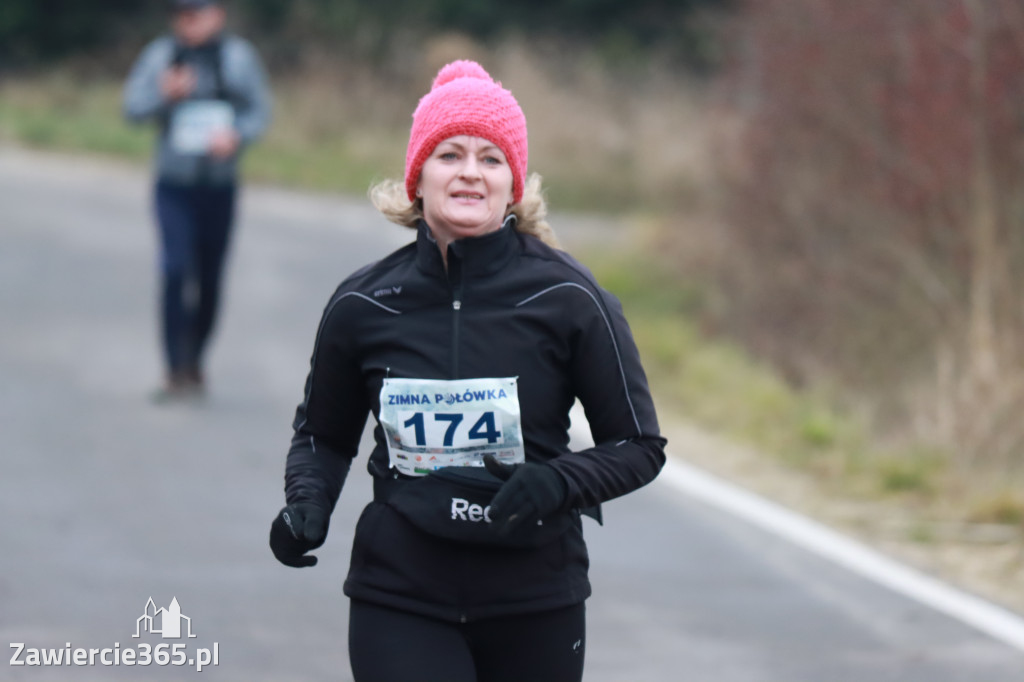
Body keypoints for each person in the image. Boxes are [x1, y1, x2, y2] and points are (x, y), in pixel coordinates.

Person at [269, 59, 666, 682]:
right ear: (416, 178)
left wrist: (557, 482)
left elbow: (639, 446)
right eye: (450, 155)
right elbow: (323, 437)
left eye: (491, 158)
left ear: (514, 184)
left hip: (535, 596)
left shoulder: (569, 298)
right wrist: (307, 506)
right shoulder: (363, 303)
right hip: (400, 591)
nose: (470, 174)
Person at [123, 0, 271, 401]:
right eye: (178, 14)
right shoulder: (161, 55)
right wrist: (164, 94)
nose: (185, 22)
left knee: (209, 278)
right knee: (174, 270)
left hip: (219, 188)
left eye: (194, 13)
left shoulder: (238, 58)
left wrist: (237, 135)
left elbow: (261, 112)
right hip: (173, 186)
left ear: (217, 14)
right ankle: (173, 369)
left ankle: (194, 361)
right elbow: (131, 109)